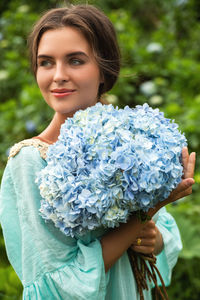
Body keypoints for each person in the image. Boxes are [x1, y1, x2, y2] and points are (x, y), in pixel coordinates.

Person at [0, 5, 196, 300]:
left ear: (104, 70)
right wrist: (143, 217)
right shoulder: (29, 161)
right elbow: (57, 287)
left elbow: (162, 237)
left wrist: (152, 239)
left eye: (75, 61)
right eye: (46, 63)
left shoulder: (131, 140)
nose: (58, 76)